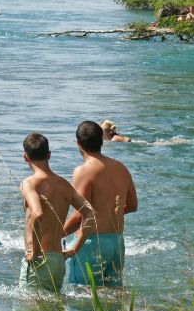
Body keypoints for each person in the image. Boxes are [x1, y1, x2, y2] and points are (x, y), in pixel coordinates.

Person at [63, 121, 138, 287]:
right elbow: (133, 205)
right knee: (113, 299)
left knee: (83, 299)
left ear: (78, 144)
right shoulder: (121, 168)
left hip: (91, 243)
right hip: (117, 242)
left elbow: (79, 215)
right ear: (102, 140)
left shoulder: (83, 171)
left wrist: (56, 234)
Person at [19, 133, 91, 292]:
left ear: (25, 157)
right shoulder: (64, 185)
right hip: (58, 260)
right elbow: (90, 213)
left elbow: (37, 214)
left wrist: (35, 252)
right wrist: (75, 248)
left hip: (39, 260)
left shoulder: (29, 184)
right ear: (49, 154)